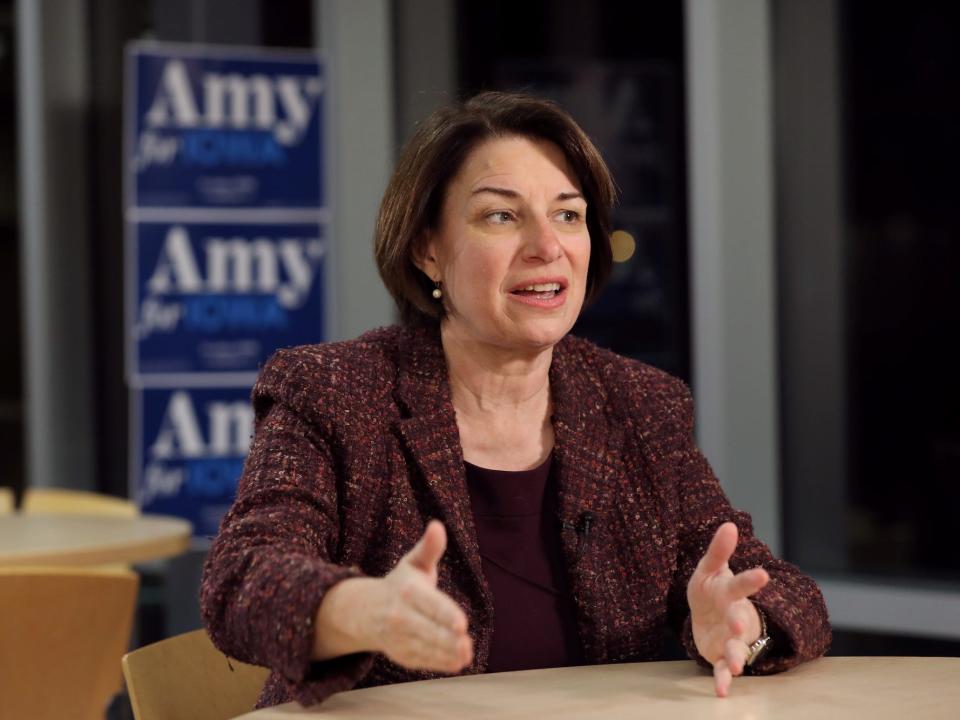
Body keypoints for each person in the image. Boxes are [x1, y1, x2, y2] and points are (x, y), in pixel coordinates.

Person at [200, 91, 831, 710]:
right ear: (428, 250)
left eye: (568, 215)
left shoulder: (639, 405)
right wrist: (357, 609)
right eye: (501, 216)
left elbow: (774, 588)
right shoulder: (333, 392)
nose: (546, 246)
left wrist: (747, 626)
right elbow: (242, 580)